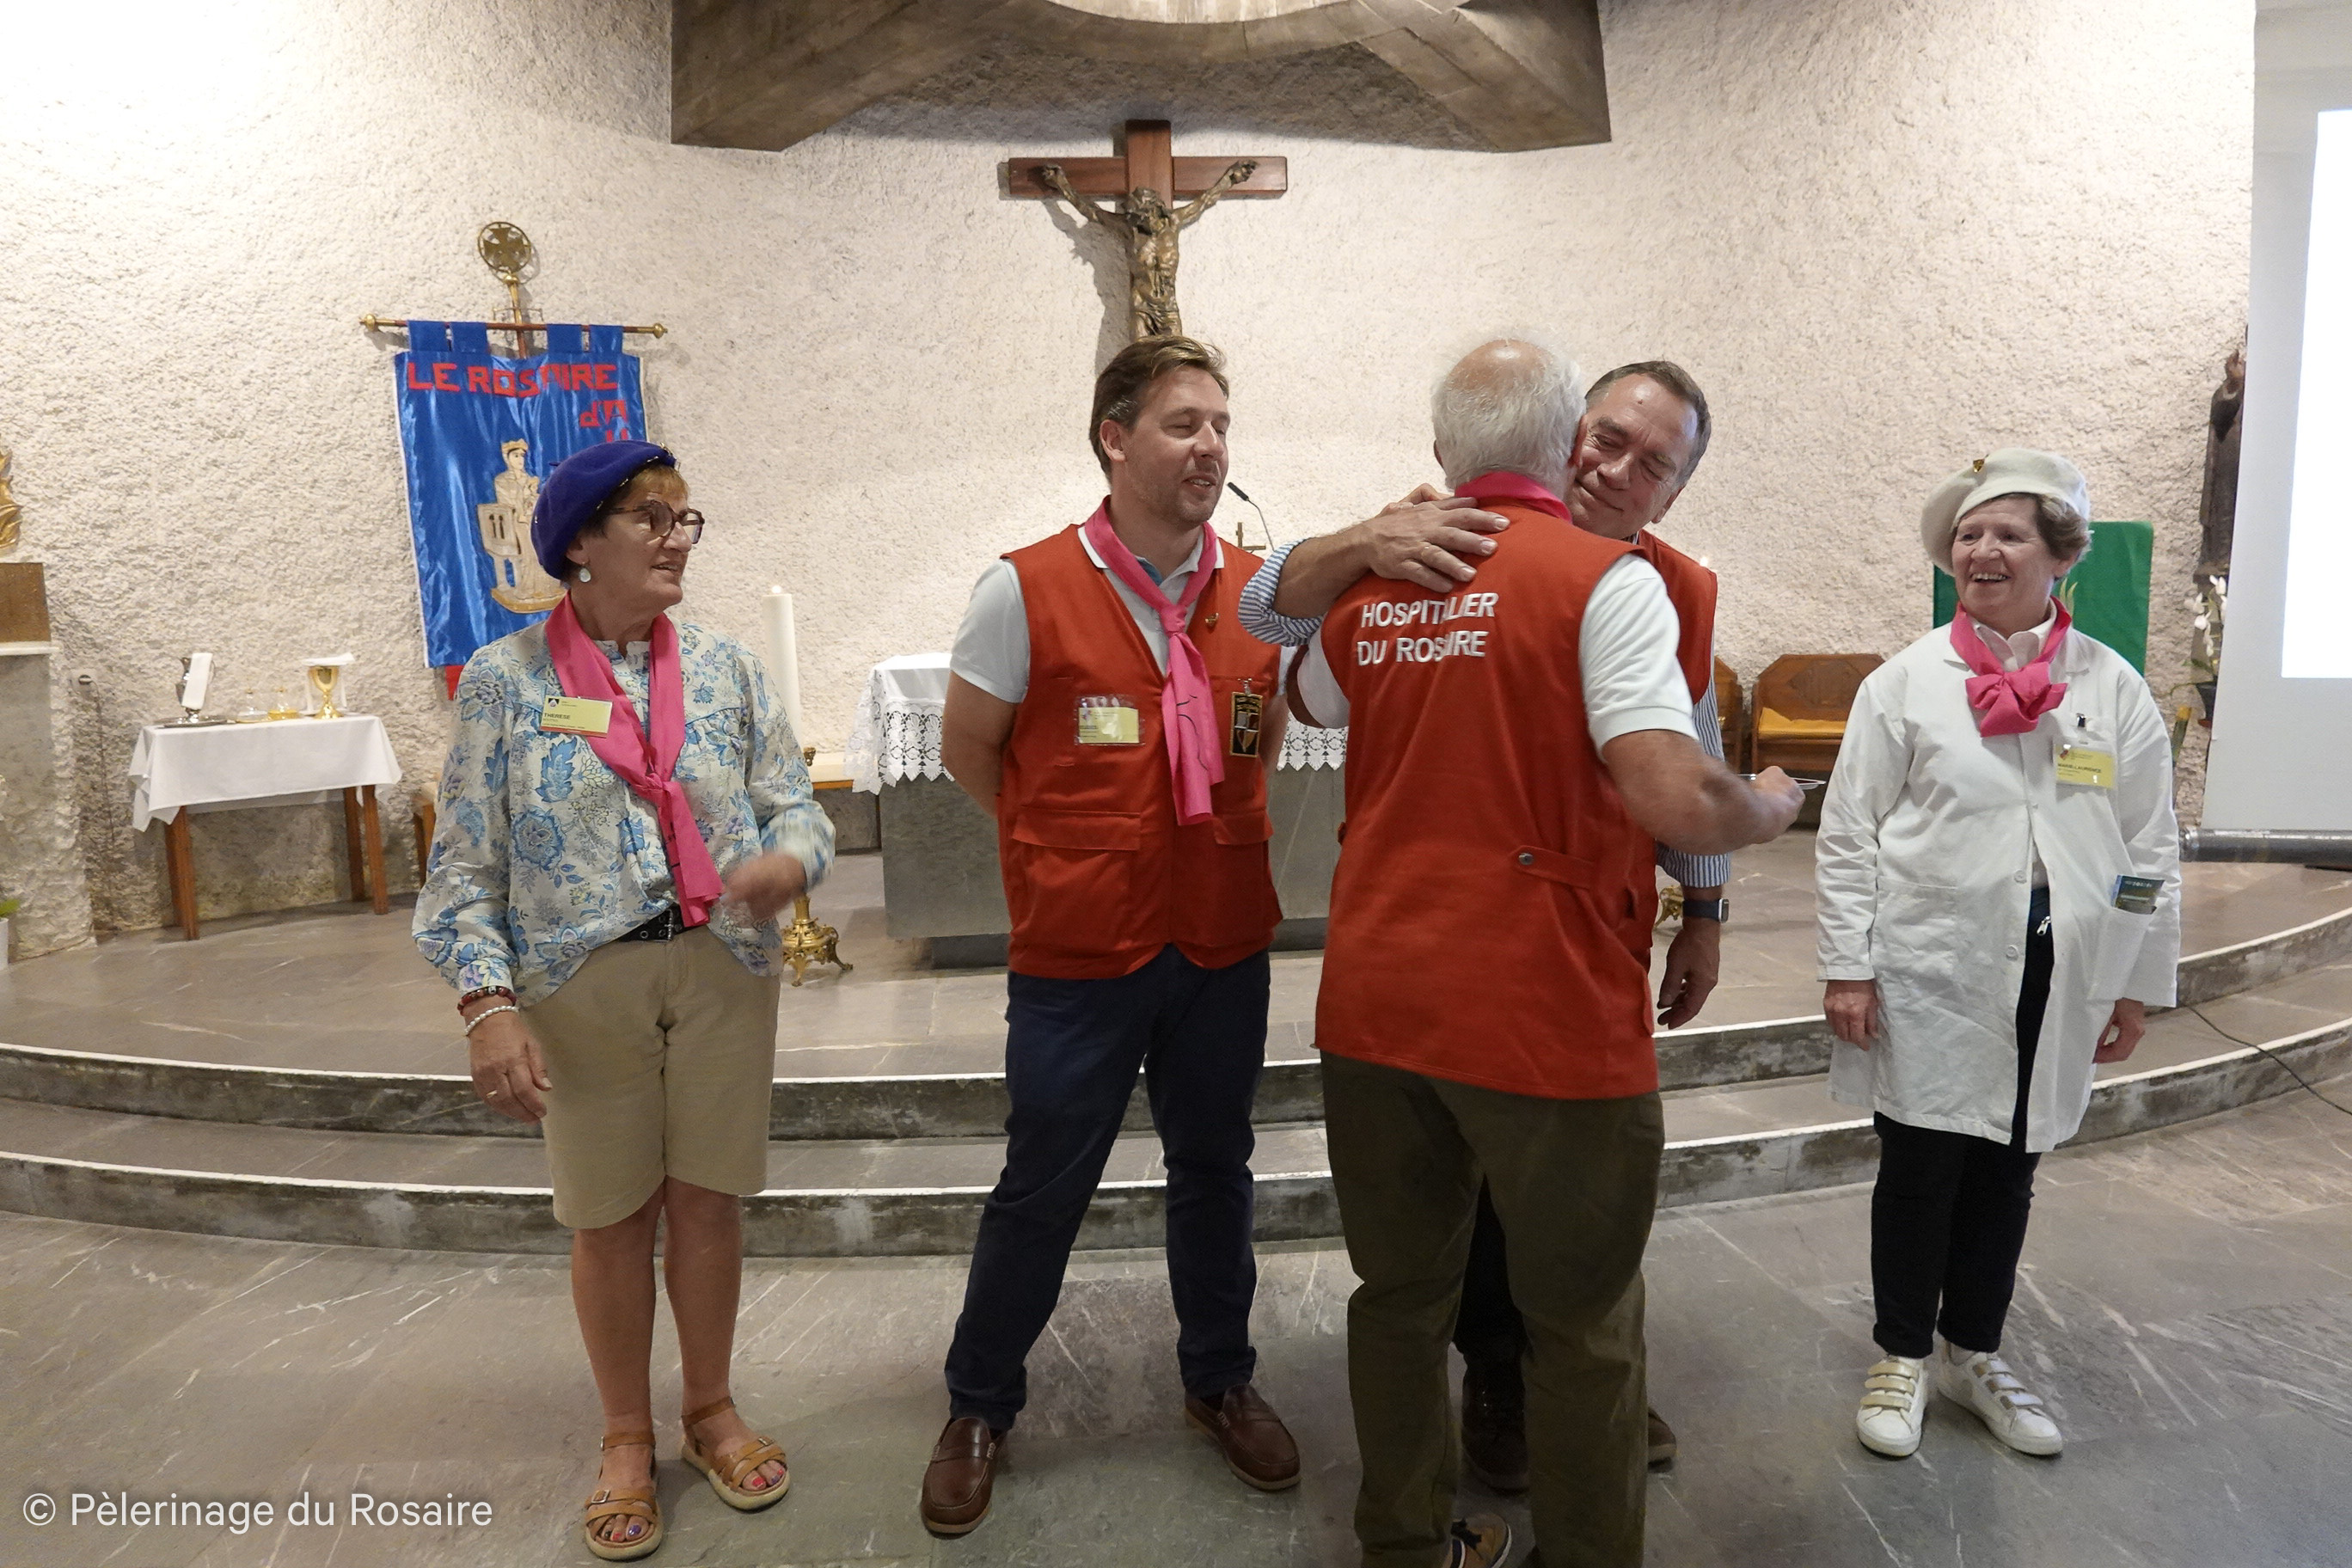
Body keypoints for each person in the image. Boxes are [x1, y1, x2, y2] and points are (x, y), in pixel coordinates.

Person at [1288, 339, 1803, 1568]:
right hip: (1543, 1003)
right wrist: (1773, 805)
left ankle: (1406, 1544)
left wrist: (1365, 566)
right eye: (1604, 441)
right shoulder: (1604, 583)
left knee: (1397, 1300)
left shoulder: (1378, 588)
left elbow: (1299, 698)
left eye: (1649, 461)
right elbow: (1674, 793)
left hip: (1378, 1000)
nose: (1617, 468)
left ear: (1445, 448)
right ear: (1565, 439)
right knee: (1584, 1325)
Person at [415, 441, 834, 1561]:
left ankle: (710, 1409)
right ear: (579, 544)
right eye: (649, 517)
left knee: (709, 1202)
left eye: (682, 520)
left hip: (721, 967)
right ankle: (623, 1436)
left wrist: (789, 862)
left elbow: (795, 806)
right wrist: (487, 1006)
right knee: (608, 1217)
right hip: (578, 980)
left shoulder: (728, 669)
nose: (673, 538)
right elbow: (465, 865)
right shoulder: (506, 682)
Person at [919, 335, 1300, 1537]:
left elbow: (1263, 738)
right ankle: (979, 1403)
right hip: (1083, 950)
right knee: (1043, 1184)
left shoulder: (1260, 593)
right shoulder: (1025, 588)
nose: (1211, 447)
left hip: (1221, 940)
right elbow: (969, 752)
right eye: (1185, 424)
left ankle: (1220, 1377)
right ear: (1115, 438)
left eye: (1221, 425)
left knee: (1216, 1169)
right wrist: (1070, 846)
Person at [1817, 448, 2181, 1461]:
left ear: (2059, 555)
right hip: (1931, 960)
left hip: (2060, 966)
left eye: (2008, 534)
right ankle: (1901, 1353)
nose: (1981, 550)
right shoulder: (1906, 682)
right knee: (1921, 1162)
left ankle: (1971, 1352)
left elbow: (2149, 844)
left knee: (2009, 1169)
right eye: (1968, 535)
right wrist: (1847, 964)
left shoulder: (2110, 686)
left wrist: (2135, 980)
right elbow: (1848, 830)